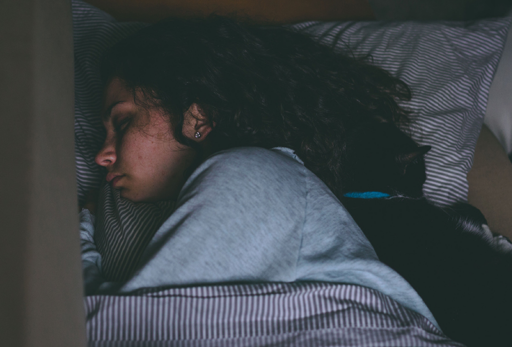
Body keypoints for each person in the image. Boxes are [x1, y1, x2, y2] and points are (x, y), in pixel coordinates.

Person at [79, 15, 440, 327]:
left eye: (123, 123)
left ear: (197, 117)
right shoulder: (124, 202)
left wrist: (79, 241)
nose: (101, 155)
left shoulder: (255, 172)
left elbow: (122, 332)